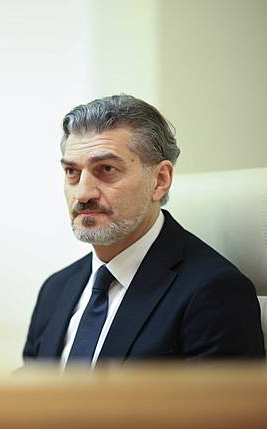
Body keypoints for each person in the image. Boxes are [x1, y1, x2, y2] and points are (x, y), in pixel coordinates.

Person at [23, 94, 264, 368]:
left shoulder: (214, 292)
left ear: (160, 181)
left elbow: (219, 411)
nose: (83, 193)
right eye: (72, 172)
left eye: (106, 169)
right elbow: (29, 398)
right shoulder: (57, 288)